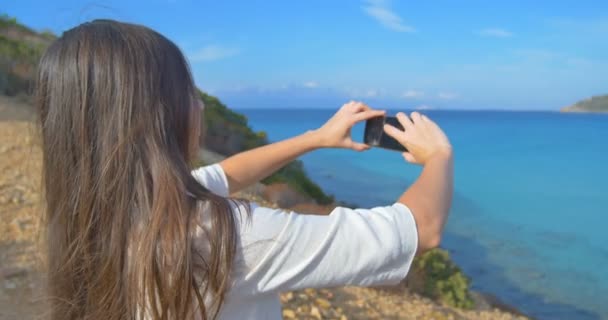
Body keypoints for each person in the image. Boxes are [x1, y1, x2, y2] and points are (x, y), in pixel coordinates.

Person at [36, 20, 453, 320]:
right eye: (189, 93)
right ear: (158, 116)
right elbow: (418, 229)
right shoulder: (223, 235)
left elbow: (229, 173)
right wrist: (439, 157)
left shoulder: (96, 212)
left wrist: (316, 138)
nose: (199, 106)